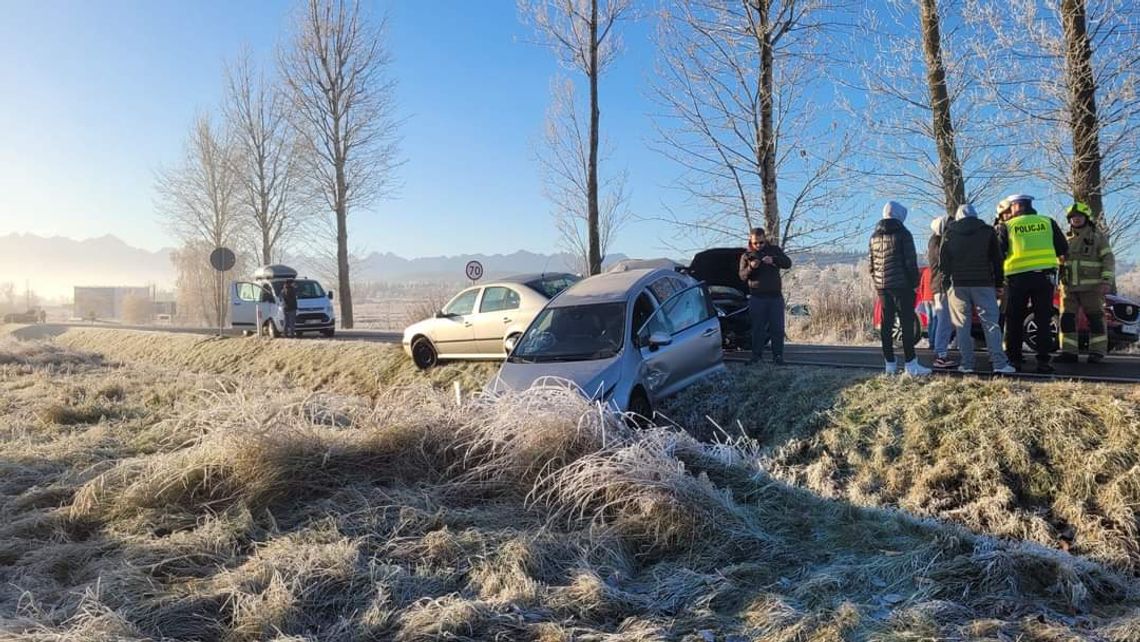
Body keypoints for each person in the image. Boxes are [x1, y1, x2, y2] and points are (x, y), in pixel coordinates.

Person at [940, 204, 1016, 374]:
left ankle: (967, 364)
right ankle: (999, 363)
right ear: (975, 215)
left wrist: (946, 284)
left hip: (958, 285)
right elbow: (997, 259)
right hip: (983, 283)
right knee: (991, 323)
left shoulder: (950, 233)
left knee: (962, 326)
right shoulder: (987, 231)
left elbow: (943, 262)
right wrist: (998, 284)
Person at [997, 194, 1068, 373]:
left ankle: (1014, 359)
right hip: (1044, 278)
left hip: (1016, 278)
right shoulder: (1047, 222)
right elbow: (1062, 248)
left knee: (1014, 319)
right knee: (1043, 319)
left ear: (1015, 207)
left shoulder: (1008, 226)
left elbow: (998, 252)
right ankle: (1044, 361)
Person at [870, 201, 931, 375]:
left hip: (882, 287)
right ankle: (911, 364)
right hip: (902, 285)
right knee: (907, 323)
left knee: (886, 324)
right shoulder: (904, 234)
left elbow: (871, 265)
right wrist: (914, 284)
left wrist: (878, 281)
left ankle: (889, 364)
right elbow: (910, 262)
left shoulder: (874, 236)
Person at [1056, 201, 1115, 364]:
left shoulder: (1097, 237)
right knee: (1066, 319)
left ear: (1086, 218)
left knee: (1096, 319)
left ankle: (1097, 352)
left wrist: (1106, 281)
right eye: (1073, 217)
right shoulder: (1064, 238)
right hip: (1068, 287)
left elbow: (1108, 259)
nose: (1076, 219)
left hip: (1092, 287)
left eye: (1079, 216)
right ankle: (1069, 352)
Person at [738, 226, 792, 365]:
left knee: (777, 329)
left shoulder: (774, 250)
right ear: (751, 240)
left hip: (775, 297)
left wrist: (774, 260)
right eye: (755, 243)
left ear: (765, 240)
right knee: (757, 329)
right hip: (757, 298)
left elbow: (788, 263)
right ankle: (756, 357)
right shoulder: (747, 255)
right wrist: (751, 267)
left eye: (761, 242)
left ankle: (778, 357)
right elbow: (742, 276)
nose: (758, 246)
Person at [927, 216, 957, 368]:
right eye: (949, 225)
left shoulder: (936, 241)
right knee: (943, 321)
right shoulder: (937, 242)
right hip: (941, 286)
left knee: (947, 321)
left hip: (941, 285)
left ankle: (942, 351)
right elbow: (943, 263)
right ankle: (940, 355)